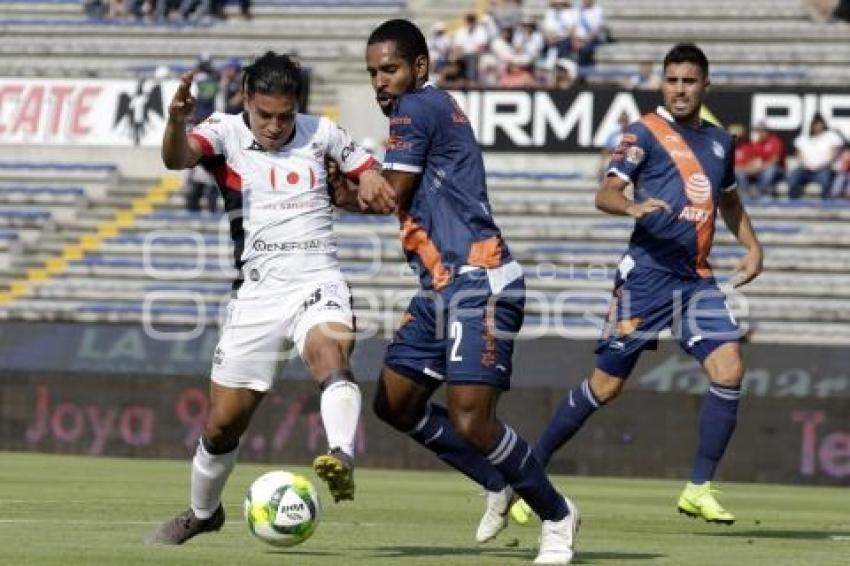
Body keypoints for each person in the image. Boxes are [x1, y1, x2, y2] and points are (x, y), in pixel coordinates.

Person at [146, 51, 396, 545]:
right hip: (257, 295)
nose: (277, 126)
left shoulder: (321, 132)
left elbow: (369, 172)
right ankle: (203, 513)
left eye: (285, 116)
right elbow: (177, 158)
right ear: (246, 101)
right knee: (221, 427)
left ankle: (341, 454)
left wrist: (369, 174)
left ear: (297, 107)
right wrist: (176, 123)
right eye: (265, 116)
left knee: (331, 352)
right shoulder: (222, 132)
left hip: (317, 279)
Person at [512, 43, 764, 527]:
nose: (680, 89)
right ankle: (529, 475)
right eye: (672, 81)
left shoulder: (718, 142)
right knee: (605, 387)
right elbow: (605, 191)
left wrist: (753, 246)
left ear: (705, 85)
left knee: (729, 368)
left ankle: (698, 489)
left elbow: (728, 201)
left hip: (695, 279)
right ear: (662, 84)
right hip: (646, 277)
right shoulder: (643, 133)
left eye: (689, 81)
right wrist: (629, 206)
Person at [365, 19, 578, 565]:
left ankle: (557, 516)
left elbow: (391, 193)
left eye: (389, 69)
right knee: (394, 402)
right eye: (372, 72)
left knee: (471, 419)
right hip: (441, 286)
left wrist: (324, 172)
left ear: (420, 67)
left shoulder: (416, 109)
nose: (380, 82)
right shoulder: (433, 107)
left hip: (479, 281)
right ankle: (494, 480)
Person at [786, 113, 844, 199]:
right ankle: (793, 204)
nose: (817, 126)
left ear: (823, 124)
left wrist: (825, 164)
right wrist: (805, 163)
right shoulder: (804, 138)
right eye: (815, 124)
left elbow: (835, 152)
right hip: (805, 169)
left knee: (826, 180)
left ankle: (826, 206)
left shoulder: (831, 136)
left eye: (819, 123)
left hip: (824, 168)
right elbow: (798, 153)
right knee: (793, 177)